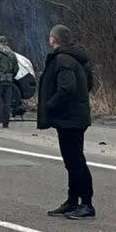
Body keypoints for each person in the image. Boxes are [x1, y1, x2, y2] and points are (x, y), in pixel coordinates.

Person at [37, 23, 95, 219]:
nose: (49, 40)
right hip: (75, 116)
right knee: (72, 162)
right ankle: (72, 200)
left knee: (76, 161)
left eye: (50, 37)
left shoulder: (62, 59)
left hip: (71, 119)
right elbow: (89, 84)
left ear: (55, 39)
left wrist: (50, 105)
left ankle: (86, 204)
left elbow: (67, 88)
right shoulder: (78, 58)